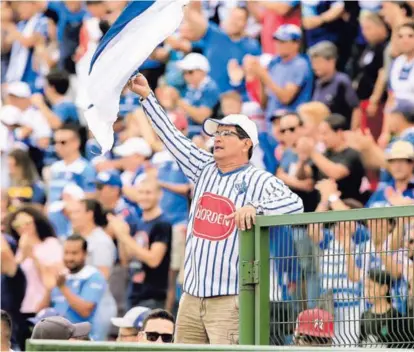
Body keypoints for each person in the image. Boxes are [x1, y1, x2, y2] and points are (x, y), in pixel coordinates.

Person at [128, 73, 303, 344]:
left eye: (226, 133)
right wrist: (147, 97)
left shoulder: (258, 179)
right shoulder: (203, 167)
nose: (217, 138)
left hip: (231, 298)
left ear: (247, 143)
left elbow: (296, 205)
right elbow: (172, 137)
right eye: (216, 133)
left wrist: (258, 208)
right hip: (191, 295)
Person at [108, 177, 172, 310]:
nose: (144, 197)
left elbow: (153, 260)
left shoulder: (162, 223)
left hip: (152, 297)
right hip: (133, 293)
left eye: (148, 192)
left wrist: (125, 237)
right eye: (141, 192)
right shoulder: (139, 222)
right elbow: (126, 260)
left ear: (159, 195)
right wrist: (120, 235)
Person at [37, 235, 107, 342]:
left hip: (83, 340)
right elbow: (40, 312)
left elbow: (85, 311)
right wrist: (48, 289)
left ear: (84, 254)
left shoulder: (93, 276)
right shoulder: (61, 276)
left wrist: (62, 288)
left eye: (74, 253)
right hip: (58, 338)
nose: (69, 258)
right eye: (66, 253)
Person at [68, 199, 117, 341]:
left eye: (77, 212)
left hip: (97, 308)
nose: (72, 215)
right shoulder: (76, 237)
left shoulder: (101, 241)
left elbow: (102, 276)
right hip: (78, 304)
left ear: (89, 214)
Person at [308, 41, 360, 130]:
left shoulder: (342, 81)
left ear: (331, 61)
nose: (314, 66)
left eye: (318, 62)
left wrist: (353, 131)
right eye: (313, 63)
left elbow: (356, 109)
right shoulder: (317, 84)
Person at [175, 53, 220, 137]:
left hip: (208, 134)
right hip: (192, 130)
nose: (186, 76)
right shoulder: (190, 88)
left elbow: (202, 117)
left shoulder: (210, 88)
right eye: (184, 72)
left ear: (202, 71)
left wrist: (180, 103)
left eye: (190, 72)